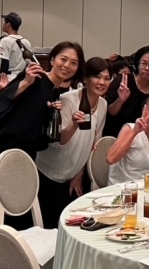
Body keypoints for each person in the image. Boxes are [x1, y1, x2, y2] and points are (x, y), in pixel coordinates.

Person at [0, 41, 84, 269]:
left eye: (74, 63)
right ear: (52, 60)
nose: (67, 65)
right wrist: (24, 84)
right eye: (63, 59)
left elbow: (41, 138)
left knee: (16, 219)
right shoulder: (33, 77)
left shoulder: (54, 94)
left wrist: (57, 121)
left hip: (23, 159)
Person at [36, 57, 111, 228]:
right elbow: (58, 141)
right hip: (49, 173)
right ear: (85, 78)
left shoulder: (103, 104)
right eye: (97, 77)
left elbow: (94, 144)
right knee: (50, 227)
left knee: (73, 224)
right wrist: (73, 125)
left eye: (107, 78)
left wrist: (78, 175)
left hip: (73, 175)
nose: (102, 82)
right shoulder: (68, 101)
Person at [107, 95, 149, 185]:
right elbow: (110, 159)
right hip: (125, 186)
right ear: (144, 109)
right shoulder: (130, 128)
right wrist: (134, 132)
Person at [103, 46, 149, 137]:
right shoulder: (122, 81)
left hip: (140, 138)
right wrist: (120, 100)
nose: (147, 68)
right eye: (143, 63)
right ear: (137, 64)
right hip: (115, 135)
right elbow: (110, 112)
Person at [0, 12, 32, 81]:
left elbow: (4, 63)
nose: (3, 24)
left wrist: (0, 80)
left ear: (8, 24)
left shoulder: (5, 41)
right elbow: (28, 63)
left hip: (9, 78)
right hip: (23, 78)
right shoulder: (26, 42)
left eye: (4, 22)